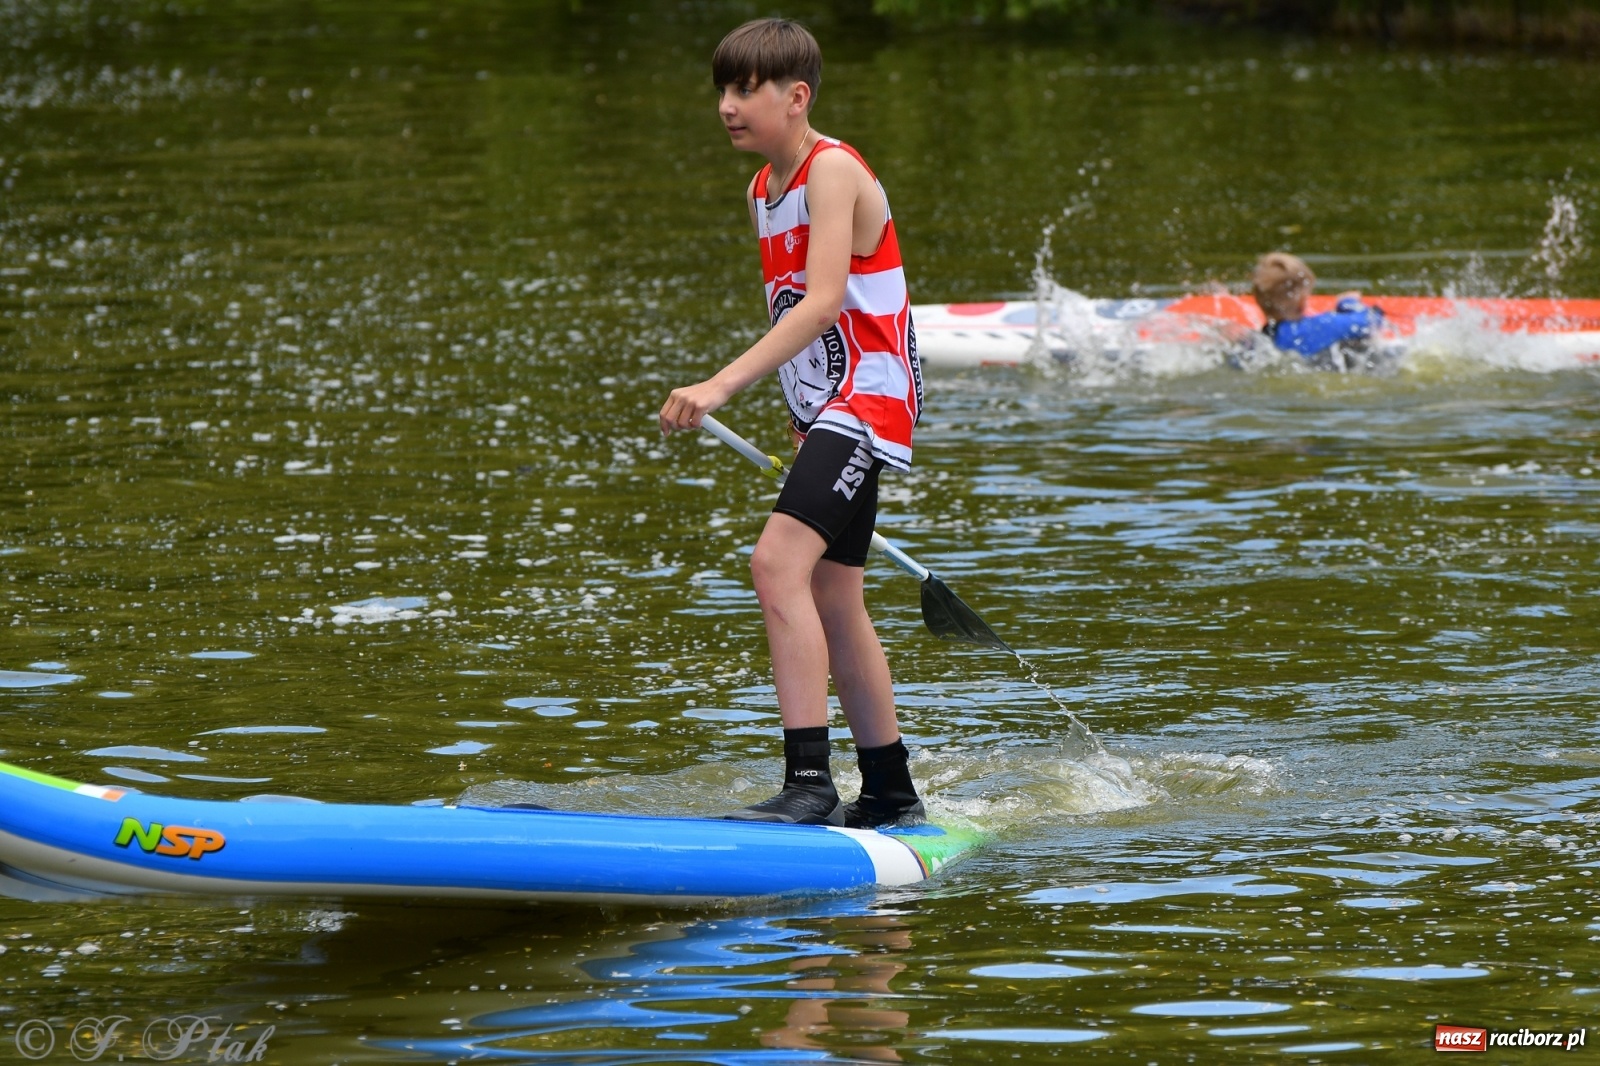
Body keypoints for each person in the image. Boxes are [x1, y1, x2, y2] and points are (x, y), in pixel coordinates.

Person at [658, 17, 924, 828]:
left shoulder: (832, 170)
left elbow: (823, 302)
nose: (728, 107)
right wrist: (802, 418)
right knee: (836, 595)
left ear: (796, 96)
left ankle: (808, 784)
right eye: (723, 91)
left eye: (746, 90)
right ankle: (889, 789)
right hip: (827, 411)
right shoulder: (762, 191)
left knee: (775, 565)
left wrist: (720, 384)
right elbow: (797, 318)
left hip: (871, 400)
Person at [1251, 251, 1389, 370]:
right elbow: (1371, 321)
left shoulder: (1263, 340)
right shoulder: (1317, 327)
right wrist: (1348, 303)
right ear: (1301, 301)